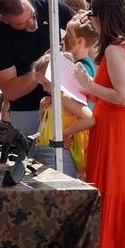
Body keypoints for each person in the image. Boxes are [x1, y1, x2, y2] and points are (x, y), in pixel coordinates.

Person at [73, 0, 125, 248]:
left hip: (115, 129)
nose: (90, 22)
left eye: (92, 16)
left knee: (111, 191)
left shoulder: (116, 49)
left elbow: (123, 96)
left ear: (102, 16)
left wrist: (87, 83)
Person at [0, 0, 75, 136]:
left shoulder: (46, 3)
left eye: (32, 15)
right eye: (22, 24)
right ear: (5, 21)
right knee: (33, 154)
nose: (31, 23)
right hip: (27, 109)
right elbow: (10, 91)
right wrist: (41, 70)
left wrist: (67, 47)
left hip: (65, 102)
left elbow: (80, 30)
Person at [32, 51, 95, 179]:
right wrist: (42, 113)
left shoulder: (66, 98)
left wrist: (64, 133)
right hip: (47, 152)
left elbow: (89, 119)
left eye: (45, 83)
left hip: (61, 155)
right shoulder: (55, 100)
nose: (44, 89)